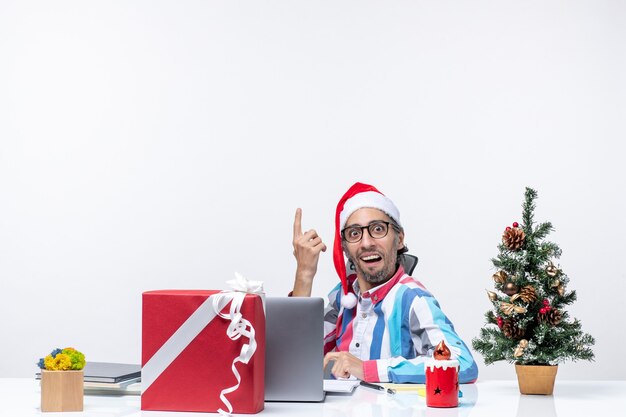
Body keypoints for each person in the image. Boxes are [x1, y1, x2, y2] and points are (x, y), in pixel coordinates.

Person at [291, 182, 478, 384]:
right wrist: (304, 274)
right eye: (354, 233)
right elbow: (295, 360)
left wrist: (366, 369)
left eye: (378, 229)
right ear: (345, 248)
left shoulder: (411, 297)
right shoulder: (343, 298)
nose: (366, 243)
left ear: (399, 239)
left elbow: (462, 363)